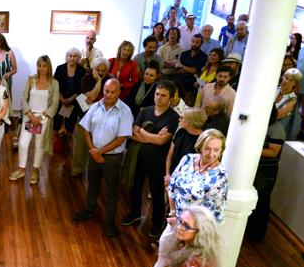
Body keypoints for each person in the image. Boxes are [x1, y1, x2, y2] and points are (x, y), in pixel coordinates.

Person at [149, 129, 228, 267]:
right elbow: (172, 187)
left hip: (196, 231)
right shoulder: (187, 159)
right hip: (175, 221)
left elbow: (212, 214)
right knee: (164, 253)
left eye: (216, 150)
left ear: (221, 151)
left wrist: (186, 226)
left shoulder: (220, 176)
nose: (211, 153)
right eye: (208, 148)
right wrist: (173, 214)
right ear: (200, 147)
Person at [73, 79, 133, 237]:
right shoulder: (95, 106)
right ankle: (89, 209)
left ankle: (109, 222)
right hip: (94, 154)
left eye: (113, 92)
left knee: (111, 191)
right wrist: (93, 150)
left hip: (112, 158)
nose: (109, 95)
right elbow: (86, 129)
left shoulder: (125, 111)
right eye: (107, 91)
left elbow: (121, 138)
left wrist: (100, 152)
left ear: (119, 92)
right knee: (92, 184)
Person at [122, 81, 180, 238]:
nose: (158, 98)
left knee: (156, 194)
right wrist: (152, 136)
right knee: (135, 187)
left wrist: (143, 132)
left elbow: (162, 141)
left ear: (170, 98)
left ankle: (156, 224)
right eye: (157, 94)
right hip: (139, 159)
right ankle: (134, 213)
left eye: (163, 95)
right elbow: (133, 133)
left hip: (158, 163)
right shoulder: (145, 110)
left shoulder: (173, 117)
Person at [9, 55, 59, 185]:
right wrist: (30, 115)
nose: (41, 69)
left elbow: (54, 104)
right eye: (39, 65)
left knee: (39, 144)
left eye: (44, 66)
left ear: (48, 67)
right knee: (23, 143)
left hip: (44, 118)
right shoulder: (31, 80)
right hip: (29, 117)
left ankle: (35, 170)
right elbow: (23, 99)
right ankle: (21, 169)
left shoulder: (54, 83)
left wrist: (41, 117)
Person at [246, 107, 285, 242]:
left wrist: (250, 148)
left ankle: (256, 235)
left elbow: (273, 152)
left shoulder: (276, 129)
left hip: (265, 172)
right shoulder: (260, 125)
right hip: (254, 168)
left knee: (261, 202)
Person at [73, 57, 111, 177]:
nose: (100, 73)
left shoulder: (110, 80)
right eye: (98, 70)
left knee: (100, 145)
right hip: (85, 117)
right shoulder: (86, 78)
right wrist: (99, 82)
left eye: (103, 70)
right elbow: (92, 97)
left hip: (103, 118)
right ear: (93, 69)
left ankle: (97, 171)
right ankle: (78, 169)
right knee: (81, 145)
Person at [164, 107, 207, 187]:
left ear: (191, 121)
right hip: (172, 176)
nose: (179, 119)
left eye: (182, 118)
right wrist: (167, 175)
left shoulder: (204, 140)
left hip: (188, 184)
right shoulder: (180, 132)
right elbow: (170, 156)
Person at [53, 48, 87, 136]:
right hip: (59, 100)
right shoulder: (60, 68)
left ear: (78, 58)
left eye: (75, 56)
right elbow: (55, 85)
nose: (72, 58)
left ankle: (68, 146)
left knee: (69, 129)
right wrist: (62, 99)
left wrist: (70, 99)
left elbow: (81, 89)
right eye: (70, 56)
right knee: (56, 126)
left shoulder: (82, 70)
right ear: (67, 57)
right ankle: (56, 146)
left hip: (74, 102)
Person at [176, 34, 208, 104]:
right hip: (180, 84)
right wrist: (188, 69)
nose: (194, 44)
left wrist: (182, 66)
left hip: (192, 86)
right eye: (193, 41)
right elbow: (178, 70)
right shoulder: (184, 54)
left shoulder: (203, 56)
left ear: (201, 43)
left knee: (188, 107)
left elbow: (195, 71)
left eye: (197, 42)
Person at [274, 68, 303, 137]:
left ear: (295, 84)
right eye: (286, 78)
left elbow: (278, 115)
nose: (286, 81)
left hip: (274, 131)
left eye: (291, 80)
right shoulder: (274, 88)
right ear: (282, 77)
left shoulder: (292, 99)